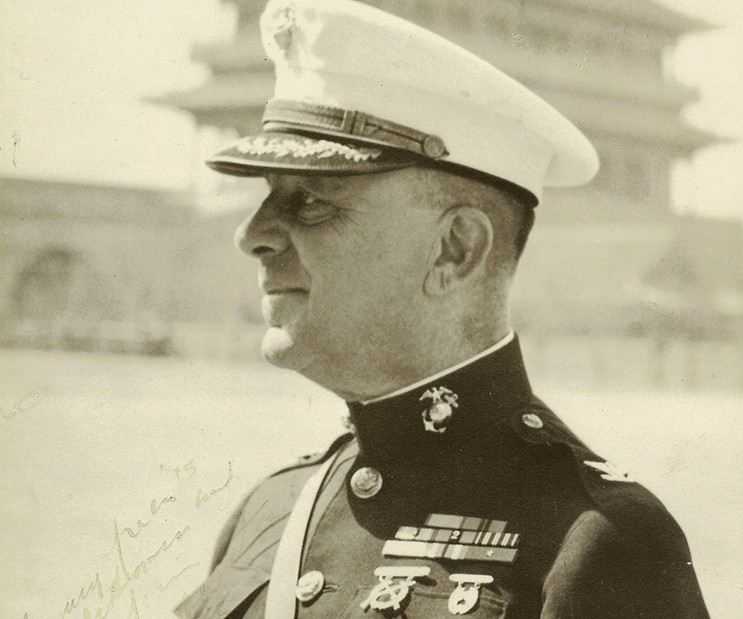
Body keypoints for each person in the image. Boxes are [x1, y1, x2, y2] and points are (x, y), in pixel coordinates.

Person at [176, 0, 709, 617]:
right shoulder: (271, 510)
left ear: (455, 250)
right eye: (268, 197)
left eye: (312, 203)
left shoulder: (595, 541)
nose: (251, 235)